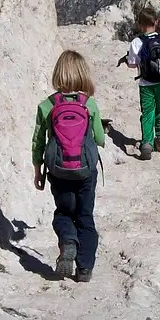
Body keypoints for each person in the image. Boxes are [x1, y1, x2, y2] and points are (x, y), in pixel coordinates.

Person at [32, 50, 105, 282]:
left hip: (58, 170)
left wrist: (38, 170)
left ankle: (68, 242)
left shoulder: (47, 106)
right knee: (85, 216)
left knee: (64, 213)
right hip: (85, 171)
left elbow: (38, 141)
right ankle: (84, 269)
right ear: (83, 75)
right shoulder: (89, 105)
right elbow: (100, 138)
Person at [126, 9, 160, 160]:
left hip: (145, 83)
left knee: (148, 111)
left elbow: (132, 64)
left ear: (140, 24)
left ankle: (147, 144)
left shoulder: (137, 42)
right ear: (156, 22)